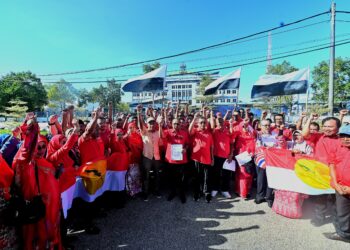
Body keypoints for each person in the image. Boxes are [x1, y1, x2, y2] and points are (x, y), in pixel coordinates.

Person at [13, 118, 62, 249]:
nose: (40, 150)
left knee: (45, 234)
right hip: (31, 205)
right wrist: (32, 131)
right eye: (37, 147)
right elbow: (26, 152)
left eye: (43, 146)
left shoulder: (46, 164)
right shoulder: (25, 162)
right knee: (32, 235)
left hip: (46, 207)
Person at [303, 116, 342, 226]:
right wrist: (309, 118)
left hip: (337, 174)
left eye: (330, 126)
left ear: (338, 128)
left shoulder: (343, 139)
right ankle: (319, 217)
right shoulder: (318, 136)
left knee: (337, 198)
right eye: (324, 126)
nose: (327, 128)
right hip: (320, 173)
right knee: (320, 197)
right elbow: (305, 134)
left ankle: (337, 220)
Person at [323, 125, 350, 242]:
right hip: (341, 188)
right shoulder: (338, 147)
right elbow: (332, 165)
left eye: (349, 136)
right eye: (343, 136)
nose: (346, 139)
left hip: (347, 188)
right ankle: (344, 234)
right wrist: (336, 184)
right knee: (341, 211)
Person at [137, 105, 162, 201]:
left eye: (153, 123)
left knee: (157, 175)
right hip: (147, 157)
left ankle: (156, 191)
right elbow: (140, 124)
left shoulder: (157, 132)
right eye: (150, 123)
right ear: (147, 124)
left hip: (156, 157)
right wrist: (139, 113)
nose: (151, 124)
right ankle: (145, 192)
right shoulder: (144, 132)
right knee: (146, 176)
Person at [162, 118, 190, 203]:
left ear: (180, 125)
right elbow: (161, 136)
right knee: (171, 178)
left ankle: (181, 193)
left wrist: (185, 149)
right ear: (172, 124)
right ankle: (173, 192)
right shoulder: (168, 131)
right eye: (174, 124)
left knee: (181, 178)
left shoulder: (184, 133)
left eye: (177, 124)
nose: (176, 125)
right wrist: (159, 125)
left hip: (181, 160)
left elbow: (187, 144)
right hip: (171, 160)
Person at [189, 113, 214, 202]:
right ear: (198, 124)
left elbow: (211, 147)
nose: (203, 124)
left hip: (207, 159)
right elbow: (189, 131)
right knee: (197, 176)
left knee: (206, 177)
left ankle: (206, 192)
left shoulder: (209, 134)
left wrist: (212, 158)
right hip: (197, 158)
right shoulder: (195, 131)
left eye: (204, 122)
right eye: (201, 123)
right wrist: (194, 118)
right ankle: (197, 192)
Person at [210, 113, 234, 199]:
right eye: (218, 121)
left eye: (221, 121)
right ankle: (215, 188)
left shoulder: (228, 132)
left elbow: (231, 144)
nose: (220, 122)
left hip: (227, 156)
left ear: (224, 122)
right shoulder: (214, 131)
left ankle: (225, 190)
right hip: (216, 156)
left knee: (226, 174)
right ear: (216, 123)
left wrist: (231, 154)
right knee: (215, 173)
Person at [254, 119, 275, 206]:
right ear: (260, 126)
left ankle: (269, 197)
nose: (267, 127)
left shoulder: (274, 136)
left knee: (270, 178)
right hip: (260, 160)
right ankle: (260, 196)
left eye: (268, 125)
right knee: (260, 178)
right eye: (264, 125)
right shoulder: (257, 135)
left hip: (272, 160)